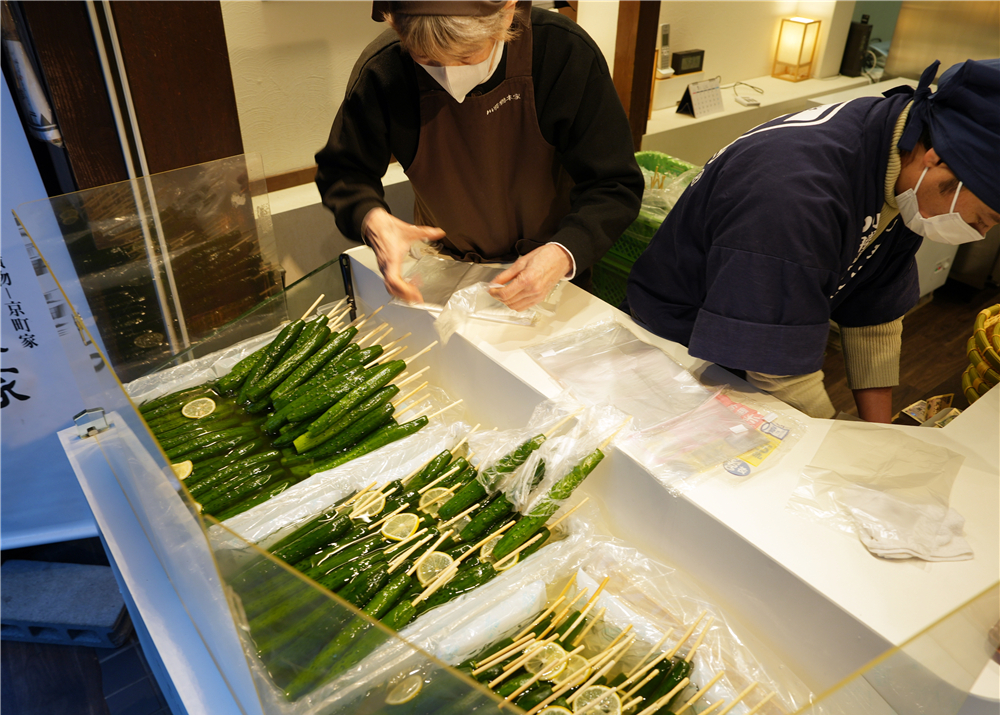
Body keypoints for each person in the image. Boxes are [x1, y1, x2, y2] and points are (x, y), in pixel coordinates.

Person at [626, 58, 1000, 423]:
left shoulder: (903, 165)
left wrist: (879, 436)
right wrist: (836, 446)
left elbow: (875, 316)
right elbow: (774, 369)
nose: (981, 232)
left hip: (755, 345)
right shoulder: (794, 193)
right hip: (676, 349)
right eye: (985, 217)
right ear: (938, 162)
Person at [316, 0, 643, 312]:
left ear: (508, 13)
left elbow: (613, 184)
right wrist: (373, 221)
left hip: (553, 273)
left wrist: (564, 252)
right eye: (426, 59)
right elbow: (344, 173)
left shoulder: (562, 51)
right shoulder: (384, 69)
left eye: (468, 56)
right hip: (443, 273)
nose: (449, 76)